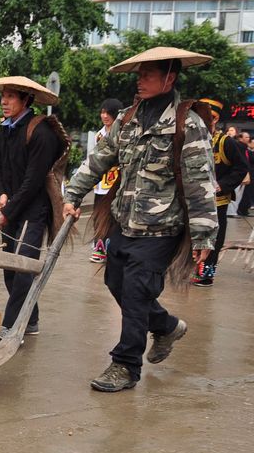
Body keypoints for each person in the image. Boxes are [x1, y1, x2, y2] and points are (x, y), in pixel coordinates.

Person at [64, 46, 218, 393]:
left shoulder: (186, 123)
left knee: (136, 292)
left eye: (148, 74)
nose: (140, 80)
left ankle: (125, 366)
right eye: (138, 74)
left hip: (161, 228)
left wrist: (204, 237)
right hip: (124, 222)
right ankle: (165, 326)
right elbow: (100, 159)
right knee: (115, 283)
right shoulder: (128, 118)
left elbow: (200, 183)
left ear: (170, 77)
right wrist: (72, 194)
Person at [0, 76, 67, 338]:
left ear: (26, 100)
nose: (4, 102)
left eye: (10, 97)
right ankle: (31, 319)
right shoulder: (5, 127)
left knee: (22, 267)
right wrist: (2, 193)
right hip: (10, 203)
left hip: (32, 210)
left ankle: (11, 325)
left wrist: (8, 211)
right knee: (9, 268)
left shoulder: (41, 132)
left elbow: (33, 180)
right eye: (2, 96)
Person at [190, 99, 249, 287]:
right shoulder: (191, 138)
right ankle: (189, 269)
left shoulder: (226, 142)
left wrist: (221, 185)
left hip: (218, 202)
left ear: (215, 120)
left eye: (209, 118)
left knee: (214, 238)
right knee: (191, 236)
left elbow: (241, 169)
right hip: (194, 200)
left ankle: (206, 274)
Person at [89, 98, 124, 263]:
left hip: (117, 181)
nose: (104, 116)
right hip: (100, 182)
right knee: (98, 215)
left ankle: (112, 248)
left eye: (108, 113)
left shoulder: (123, 132)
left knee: (113, 216)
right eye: (102, 112)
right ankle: (99, 247)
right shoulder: (99, 134)